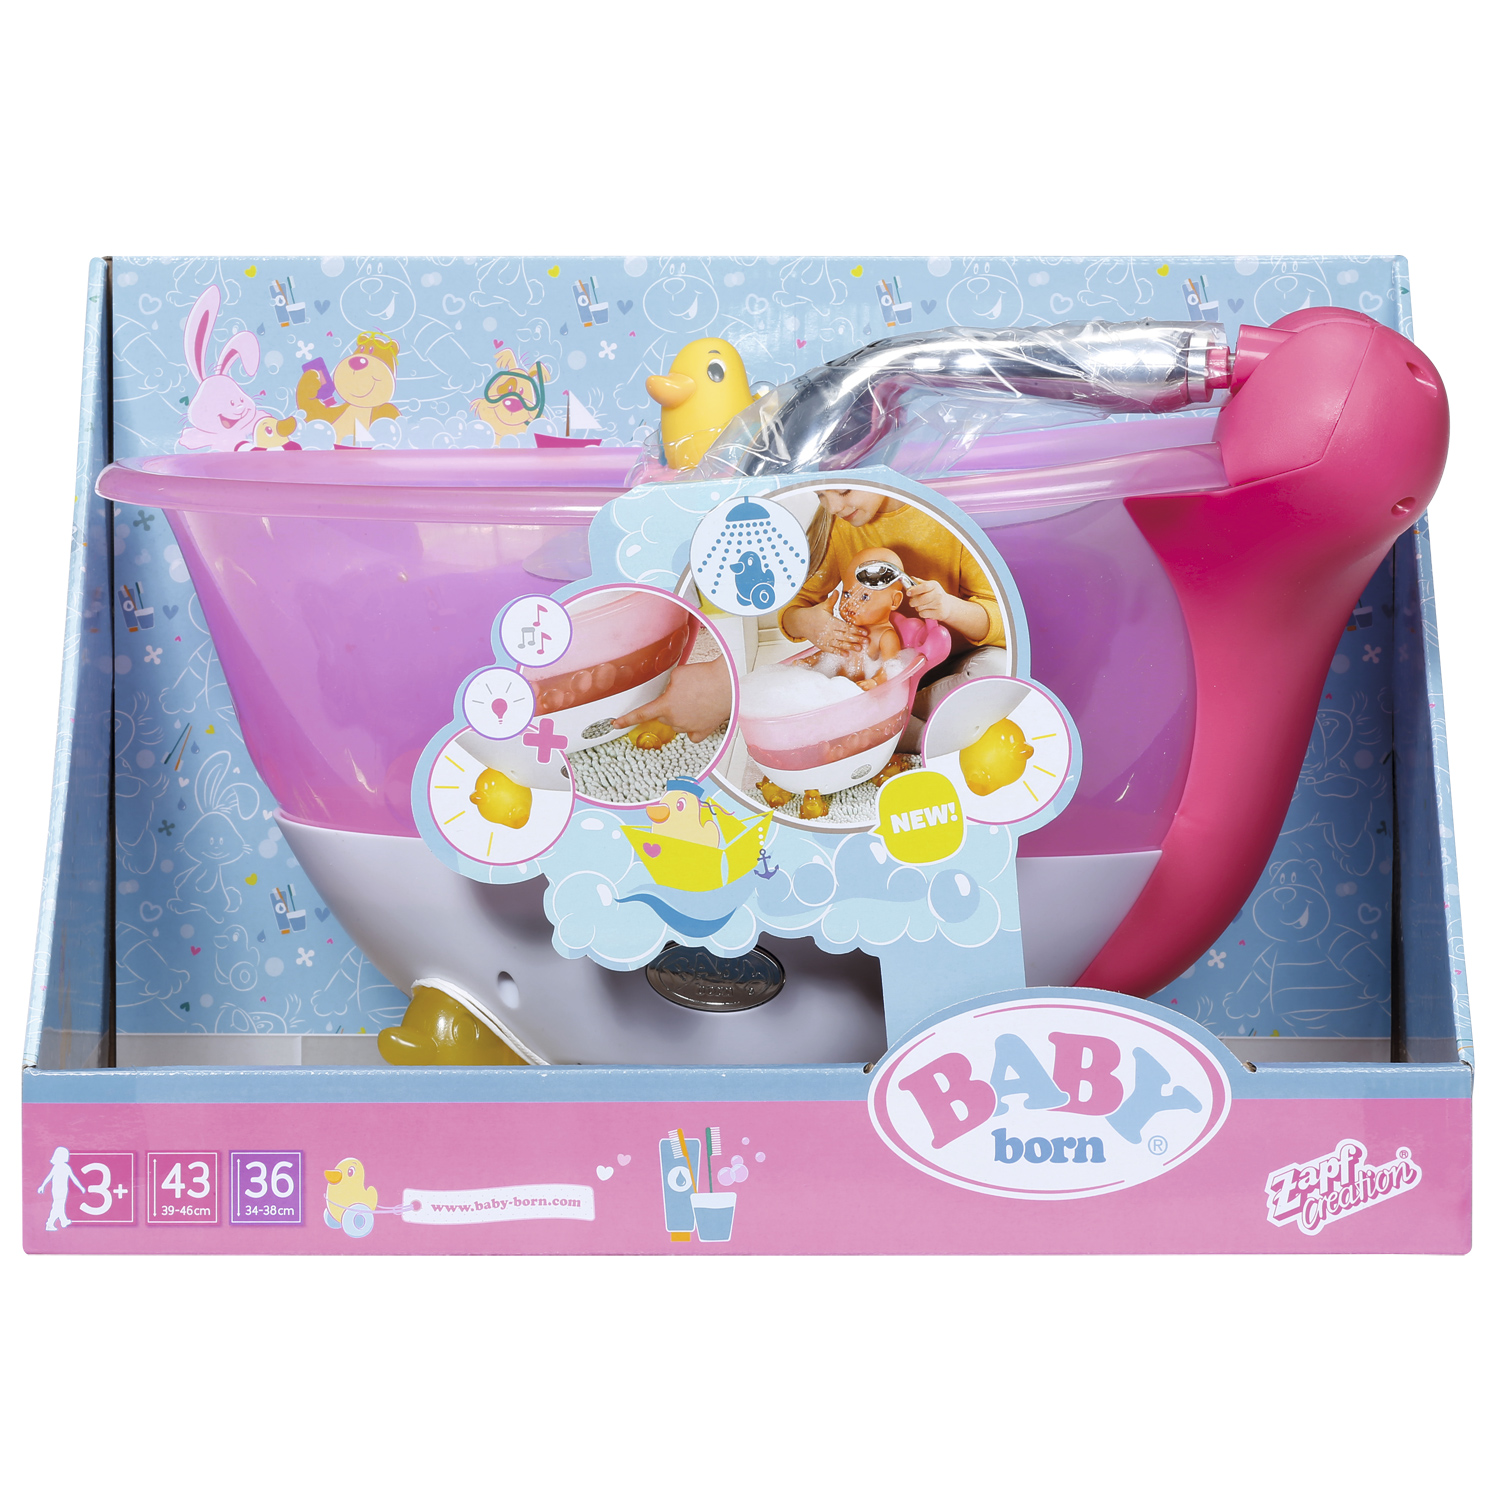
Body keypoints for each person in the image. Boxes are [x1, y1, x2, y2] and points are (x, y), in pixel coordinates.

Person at [779, 488, 1005, 657]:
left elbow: (1003, 621)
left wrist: (949, 609)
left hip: (955, 662)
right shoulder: (835, 524)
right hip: (880, 665)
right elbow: (793, 606)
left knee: (995, 665)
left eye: (844, 491)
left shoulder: (949, 515)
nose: (833, 507)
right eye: (820, 494)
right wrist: (805, 622)